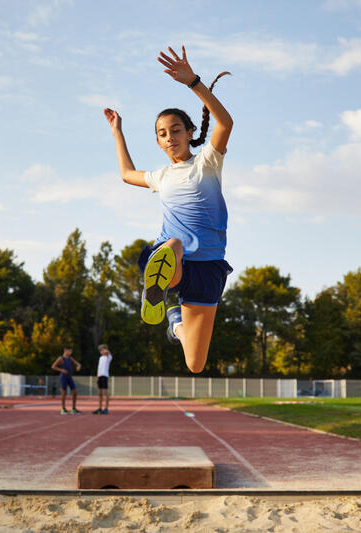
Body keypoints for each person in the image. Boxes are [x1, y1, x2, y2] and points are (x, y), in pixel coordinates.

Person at [103, 45, 233, 374]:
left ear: (190, 134)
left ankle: (174, 321)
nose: (170, 136)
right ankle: (157, 286)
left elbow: (225, 122)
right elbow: (126, 174)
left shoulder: (208, 162)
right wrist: (118, 132)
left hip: (208, 266)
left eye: (176, 130)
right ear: (159, 142)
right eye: (163, 133)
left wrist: (194, 83)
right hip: (173, 256)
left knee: (195, 362)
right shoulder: (160, 176)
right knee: (173, 244)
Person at [50, 346, 82, 414]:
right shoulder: (61, 358)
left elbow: (78, 364)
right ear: (65, 350)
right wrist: (61, 370)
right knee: (63, 392)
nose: (71, 353)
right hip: (63, 377)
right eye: (70, 351)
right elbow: (53, 366)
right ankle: (63, 409)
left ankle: (73, 409)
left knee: (74, 392)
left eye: (71, 351)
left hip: (69, 377)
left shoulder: (70, 358)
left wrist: (78, 366)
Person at [92, 344, 113, 414]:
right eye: (100, 350)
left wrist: (105, 350)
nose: (101, 351)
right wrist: (97, 377)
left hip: (105, 376)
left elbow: (108, 352)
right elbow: (99, 368)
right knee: (99, 393)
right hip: (100, 376)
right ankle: (100, 408)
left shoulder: (108, 357)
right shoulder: (100, 358)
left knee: (105, 393)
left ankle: (106, 408)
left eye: (103, 350)